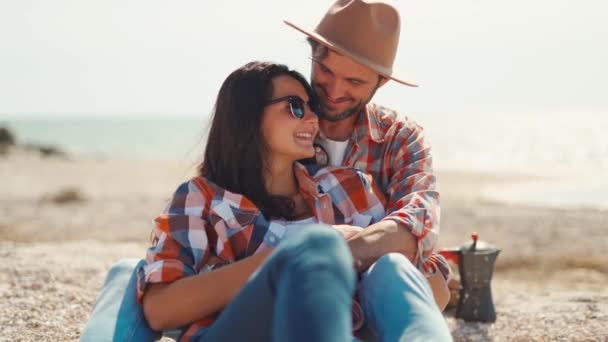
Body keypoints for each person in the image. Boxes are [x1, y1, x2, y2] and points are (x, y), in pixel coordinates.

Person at [81, 61, 450, 341]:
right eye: (295, 106)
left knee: (393, 269)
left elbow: (430, 282)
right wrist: (283, 261)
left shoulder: (347, 187)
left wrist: (401, 274)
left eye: (311, 108)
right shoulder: (202, 199)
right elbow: (161, 310)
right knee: (320, 245)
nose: (312, 119)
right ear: (248, 116)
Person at [283, 0, 451, 339]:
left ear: (381, 81)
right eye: (325, 70)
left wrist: (331, 258)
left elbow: (418, 225)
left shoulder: (401, 137)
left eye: (354, 81)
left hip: (375, 288)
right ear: (313, 53)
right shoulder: (278, 123)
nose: (334, 91)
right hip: (300, 303)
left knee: (397, 270)